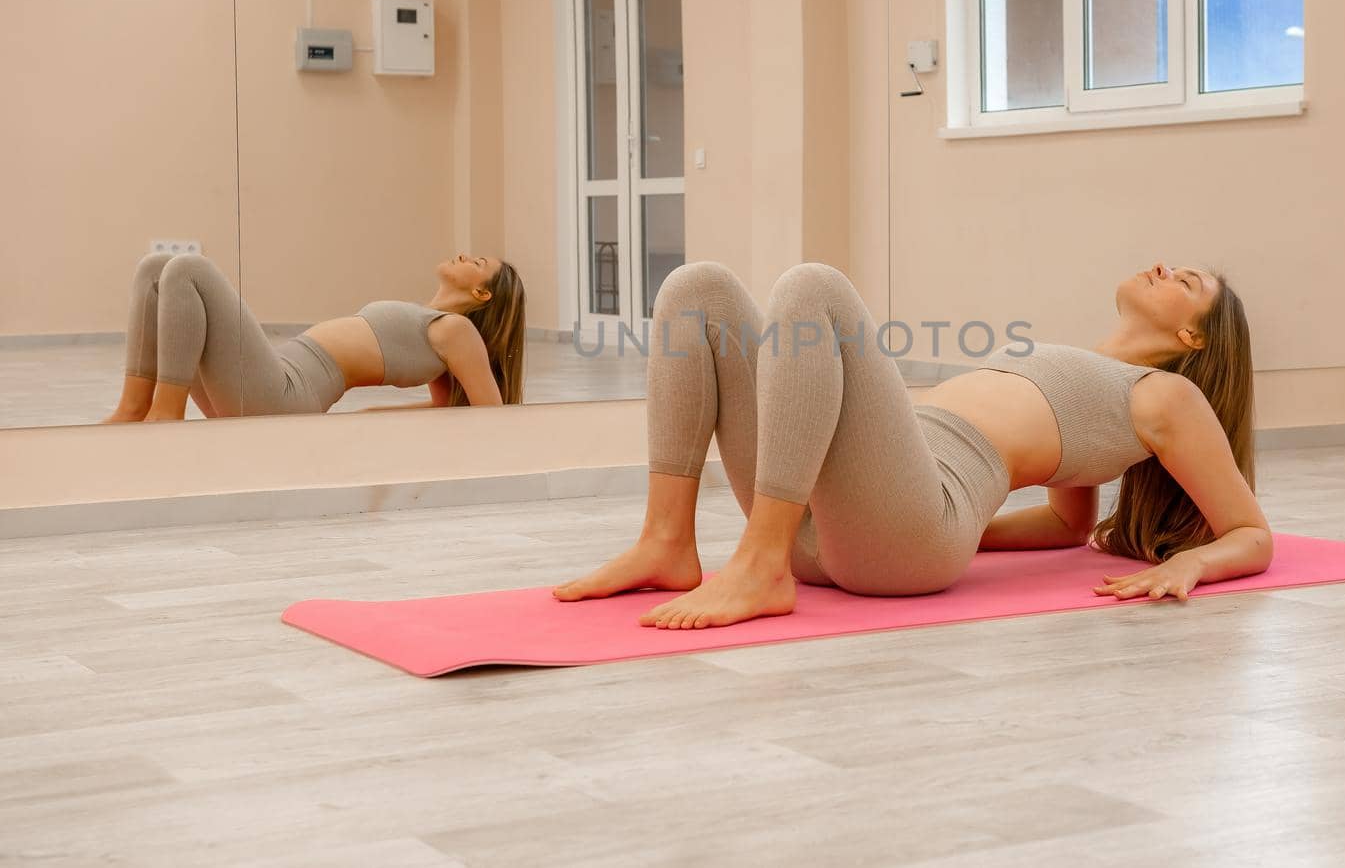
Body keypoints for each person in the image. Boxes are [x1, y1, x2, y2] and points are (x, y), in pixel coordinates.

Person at [554, 258, 1271, 628]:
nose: (1164, 266)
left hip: (910, 522)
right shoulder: (1095, 374)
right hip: (841, 521)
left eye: (1186, 281)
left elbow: (1250, 532)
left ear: (1192, 338)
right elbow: (1068, 523)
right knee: (698, 288)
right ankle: (667, 540)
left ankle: (760, 562)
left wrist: (1195, 565)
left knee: (814, 288)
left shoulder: (1169, 395)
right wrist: (977, 537)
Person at [102, 251, 524, 422]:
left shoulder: (458, 330)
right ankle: (134, 406)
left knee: (189, 269)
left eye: (477, 260)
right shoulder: (431, 321)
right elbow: (444, 404)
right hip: (275, 373)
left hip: (286, 392)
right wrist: (382, 416)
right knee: (157, 267)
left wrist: (379, 419)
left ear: (481, 293)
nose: (465, 254)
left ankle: (164, 417)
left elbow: (488, 412)